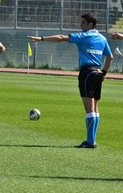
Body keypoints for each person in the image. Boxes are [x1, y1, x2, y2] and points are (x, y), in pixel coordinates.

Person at [27, 13, 113, 149]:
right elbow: (110, 57)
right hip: (97, 72)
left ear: (90, 25)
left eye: (83, 23)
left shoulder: (84, 36)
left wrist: (41, 38)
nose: (81, 25)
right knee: (95, 109)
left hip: (87, 72)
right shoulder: (102, 38)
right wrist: (104, 73)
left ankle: (90, 142)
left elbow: (61, 37)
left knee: (89, 109)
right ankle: (92, 140)